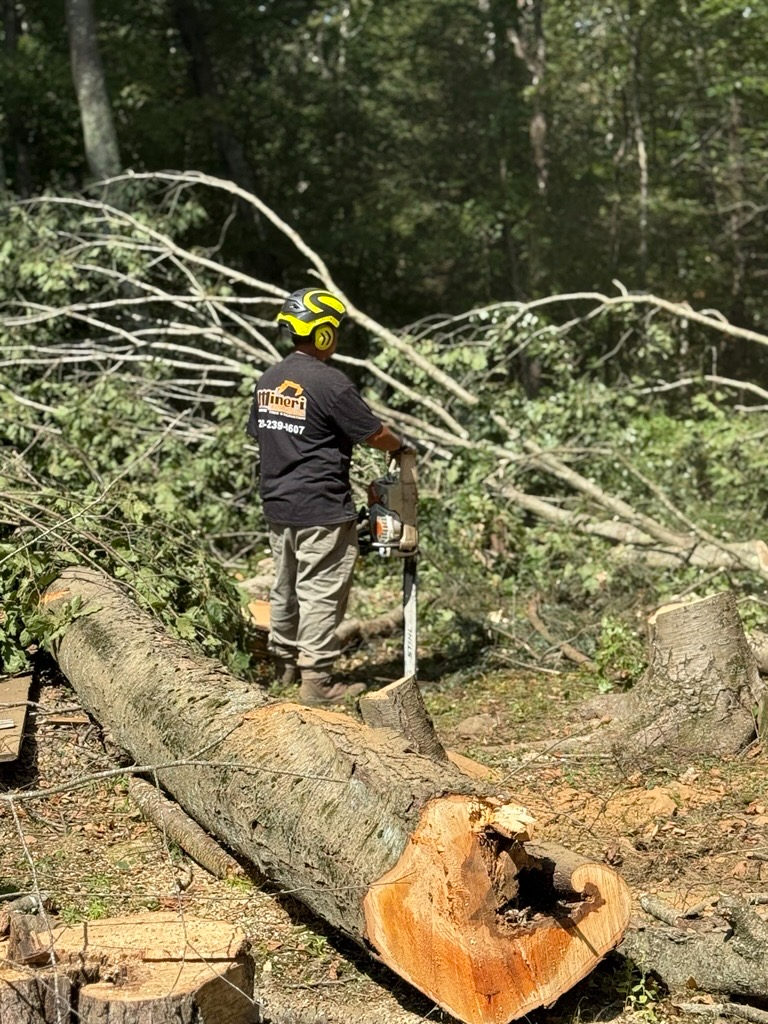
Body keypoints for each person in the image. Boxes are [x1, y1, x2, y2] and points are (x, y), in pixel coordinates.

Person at [248, 287, 410, 706]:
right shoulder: (330, 383)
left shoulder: (268, 380)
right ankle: (317, 680)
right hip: (320, 506)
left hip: (278, 504)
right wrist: (401, 448)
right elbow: (372, 433)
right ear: (321, 334)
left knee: (285, 586)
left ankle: (284, 664)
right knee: (320, 589)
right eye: (333, 330)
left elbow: (261, 433)